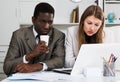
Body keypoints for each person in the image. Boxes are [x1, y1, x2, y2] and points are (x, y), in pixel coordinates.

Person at [3, 2, 65, 75]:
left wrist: (36, 66)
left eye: (50, 22)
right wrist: (29, 55)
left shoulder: (58, 36)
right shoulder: (18, 35)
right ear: (33, 20)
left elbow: (59, 61)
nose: (47, 26)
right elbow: (7, 67)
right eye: (43, 21)